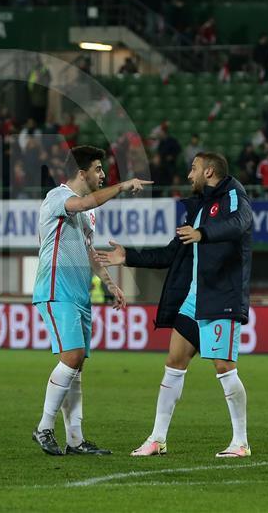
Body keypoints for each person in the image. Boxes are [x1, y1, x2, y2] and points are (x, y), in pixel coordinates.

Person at [95, 152, 253, 458]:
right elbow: (170, 254)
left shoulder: (234, 195)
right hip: (194, 299)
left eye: (193, 168)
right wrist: (128, 257)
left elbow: (239, 224)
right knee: (174, 362)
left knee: (224, 368)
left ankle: (241, 442)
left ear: (209, 172)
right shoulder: (198, 210)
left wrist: (203, 234)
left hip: (221, 296)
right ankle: (157, 439)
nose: (188, 174)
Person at [30, 145, 151, 456]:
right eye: (98, 169)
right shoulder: (58, 197)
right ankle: (44, 427)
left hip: (79, 294)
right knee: (72, 356)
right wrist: (123, 186)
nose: (103, 174)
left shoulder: (88, 212)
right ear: (81, 173)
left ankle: (75, 440)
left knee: (77, 365)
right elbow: (83, 202)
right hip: (55, 289)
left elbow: (89, 252)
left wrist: (111, 285)